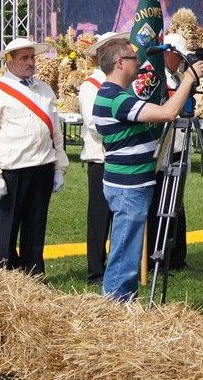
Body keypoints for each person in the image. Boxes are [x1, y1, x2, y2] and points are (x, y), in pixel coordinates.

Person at [94, 37, 203, 301]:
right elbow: (167, 114)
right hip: (128, 186)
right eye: (133, 58)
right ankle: (115, 302)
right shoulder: (116, 99)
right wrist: (188, 79)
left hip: (130, 183)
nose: (139, 62)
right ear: (120, 63)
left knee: (128, 245)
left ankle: (122, 298)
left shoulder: (115, 95)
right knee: (125, 247)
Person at [0, 37, 69, 276]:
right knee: (7, 230)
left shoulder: (44, 89)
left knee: (36, 228)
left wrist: (59, 167)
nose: (30, 62)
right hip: (12, 169)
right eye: (24, 58)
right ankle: (7, 277)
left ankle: (33, 276)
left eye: (32, 57)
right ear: (10, 61)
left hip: (43, 166)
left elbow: (56, 132)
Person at [79, 31, 129, 285]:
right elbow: (94, 124)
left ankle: (117, 265)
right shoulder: (91, 85)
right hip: (101, 159)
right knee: (100, 218)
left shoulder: (123, 84)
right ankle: (96, 270)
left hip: (121, 158)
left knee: (122, 215)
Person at [145, 33, 195, 272]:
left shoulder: (177, 77)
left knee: (177, 205)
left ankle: (177, 257)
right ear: (167, 53)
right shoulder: (156, 79)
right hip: (164, 147)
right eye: (178, 56)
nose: (180, 61)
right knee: (161, 204)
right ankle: (159, 256)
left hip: (179, 146)